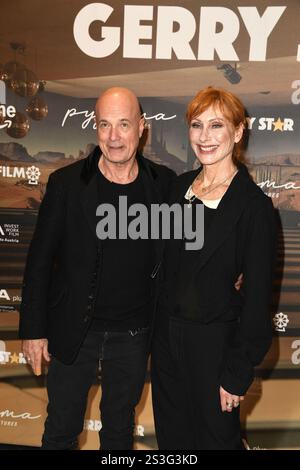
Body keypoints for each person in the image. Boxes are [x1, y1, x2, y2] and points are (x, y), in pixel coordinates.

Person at [19, 87, 175, 450]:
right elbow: (39, 261)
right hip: (74, 329)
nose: (114, 136)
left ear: (142, 127)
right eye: (105, 125)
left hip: (134, 334)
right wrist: (32, 329)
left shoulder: (164, 185)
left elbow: (183, 249)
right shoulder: (66, 184)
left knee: (119, 430)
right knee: (61, 427)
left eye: (123, 124)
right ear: (96, 129)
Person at [151, 86, 277, 450]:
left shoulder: (253, 207)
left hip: (214, 348)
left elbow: (256, 304)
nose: (204, 137)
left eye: (217, 125)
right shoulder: (176, 190)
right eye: (197, 125)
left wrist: (237, 373)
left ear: (237, 133)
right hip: (166, 344)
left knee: (216, 442)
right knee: (173, 444)